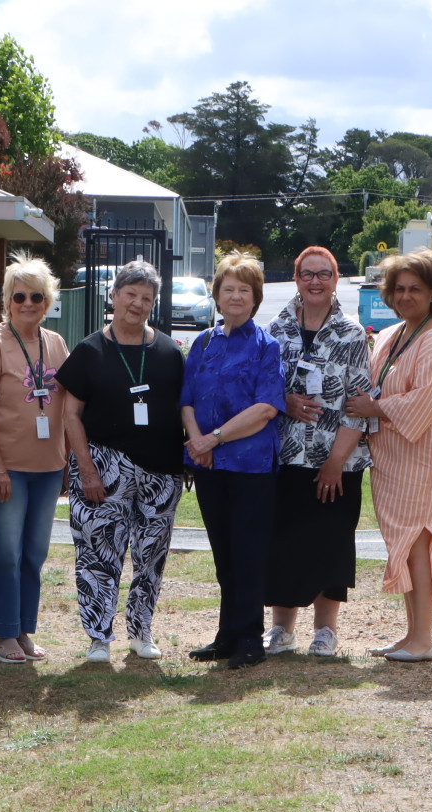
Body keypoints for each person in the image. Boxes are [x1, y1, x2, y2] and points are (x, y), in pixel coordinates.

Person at [56, 257, 186, 663]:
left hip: (160, 470)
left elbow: (184, 409)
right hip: (102, 467)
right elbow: (70, 414)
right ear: (114, 296)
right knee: (97, 553)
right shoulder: (90, 350)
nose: (137, 304)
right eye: (130, 294)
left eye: (146, 298)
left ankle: (141, 630)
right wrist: (87, 470)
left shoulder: (169, 351)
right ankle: (98, 636)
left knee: (151, 554)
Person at [346, 250, 432, 664]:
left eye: (416, 288)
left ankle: (423, 639)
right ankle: (413, 634)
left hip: (424, 453)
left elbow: (427, 399)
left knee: (420, 540)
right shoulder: (392, 334)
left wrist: (375, 409)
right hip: (394, 455)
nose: (405, 295)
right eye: (398, 288)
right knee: (405, 540)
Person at [265, 245, 373, 659]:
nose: (315, 281)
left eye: (324, 274)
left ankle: (326, 631)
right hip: (285, 458)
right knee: (284, 541)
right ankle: (280, 630)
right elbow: (261, 391)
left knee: (332, 542)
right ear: (295, 279)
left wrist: (334, 464)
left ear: (335, 280)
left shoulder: (351, 333)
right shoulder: (276, 329)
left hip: (337, 459)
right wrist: (285, 402)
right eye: (307, 274)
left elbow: (358, 404)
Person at [180, 252, 286, 670]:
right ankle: (226, 635)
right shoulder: (203, 343)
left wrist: (213, 439)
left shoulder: (266, 346)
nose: (236, 296)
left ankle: (249, 638)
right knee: (223, 553)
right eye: (229, 289)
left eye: (244, 289)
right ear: (217, 296)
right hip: (209, 467)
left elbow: (266, 408)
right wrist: (196, 443)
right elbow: (186, 400)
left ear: (255, 297)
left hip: (251, 466)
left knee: (248, 553)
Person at [0, 255, 70, 664]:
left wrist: (64, 462)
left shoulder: (56, 343)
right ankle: (3, 634)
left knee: (34, 553)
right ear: (8, 301)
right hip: (6, 468)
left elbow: (66, 405)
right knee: (6, 552)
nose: (28, 303)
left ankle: (25, 629)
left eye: (37, 296)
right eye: (20, 296)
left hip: (48, 469)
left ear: (48, 302)